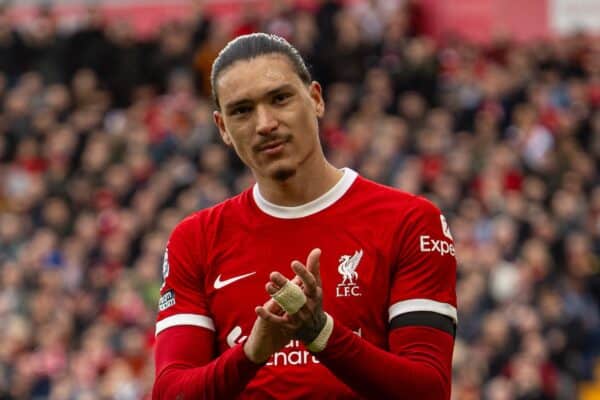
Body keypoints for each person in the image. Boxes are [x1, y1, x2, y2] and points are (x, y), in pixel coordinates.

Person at [153, 33, 457, 399]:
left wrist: (321, 333)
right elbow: (171, 392)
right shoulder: (196, 239)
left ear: (315, 99)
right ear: (222, 129)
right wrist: (252, 353)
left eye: (280, 99)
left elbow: (428, 389)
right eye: (242, 110)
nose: (265, 123)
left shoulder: (410, 221)